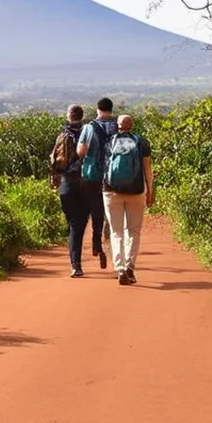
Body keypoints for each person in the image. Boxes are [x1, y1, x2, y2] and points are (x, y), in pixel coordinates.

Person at [102, 115, 153, 286]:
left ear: (117, 125)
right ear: (132, 125)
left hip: (111, 191)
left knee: (116, 232)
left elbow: (104, 167)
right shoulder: (141, 142)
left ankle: (120, 269)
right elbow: (147, 169)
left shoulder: (109, 142)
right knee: (133, 231)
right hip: (136, 192)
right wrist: (150, 190)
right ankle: (130, 267)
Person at [76, 97, 117, 269]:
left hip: (92, 175)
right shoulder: (118, 126)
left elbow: (81, 152)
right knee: (113, 213)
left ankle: (96, 242)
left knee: (95, 209)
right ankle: (110, 246)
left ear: (98, 109)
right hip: (114, 177)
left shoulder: (89, 128)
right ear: (111, 109)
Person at [49, 105, 89, 277]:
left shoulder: (63, 135)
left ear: (68, 116)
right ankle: (82, 258)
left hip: (67, 184)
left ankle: (76, 265)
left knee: (73, 223)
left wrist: (54, 179)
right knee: (80, 223)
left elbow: (54, 161)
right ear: (82, 116)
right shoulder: (89, 134)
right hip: (87, 183)